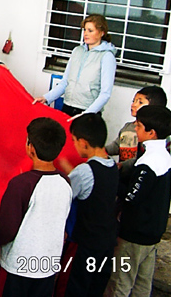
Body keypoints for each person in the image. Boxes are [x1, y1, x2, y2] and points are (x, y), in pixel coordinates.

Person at [0, 118, 72, 297]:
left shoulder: (21, 184)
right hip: (48, 264)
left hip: (18, 266)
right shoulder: (66, 182)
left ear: (31, 148)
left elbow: (7, 229)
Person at [105, 105, 171, 297]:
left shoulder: (147, 163)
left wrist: (113, 178)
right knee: (143, 284)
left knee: (121, 281)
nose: (135, 130)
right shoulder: (164, 157)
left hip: (134, 235)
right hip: (153, 233)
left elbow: (131, 197)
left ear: (151, 133)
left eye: (139, 126)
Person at [61, 114, 118, 297]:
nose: (74, 145)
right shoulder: (112, 165)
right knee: (94, 289)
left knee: (73, 288)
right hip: (106, 243)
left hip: (84, 244)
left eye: (74, 141)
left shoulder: (85, 171)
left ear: (84, 143)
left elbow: (67, 194)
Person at [34, 14, 117, 116]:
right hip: (67, 106)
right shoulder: (77, 51)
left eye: (90, 31)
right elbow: (65, 82)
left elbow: (105, 93)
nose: (86, 34)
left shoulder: (107, 56)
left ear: (101, 33)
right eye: (85, 30)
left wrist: (87, 113)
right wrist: (46, 98)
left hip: (87, 112)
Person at [106, 86, 167, 161]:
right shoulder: (128, 127)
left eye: (140, 102)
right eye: (133, 101)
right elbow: (117, 146)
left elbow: (143, 158)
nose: (133, 105)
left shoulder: (153, 134)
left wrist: (122, 166)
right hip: (122, 172)